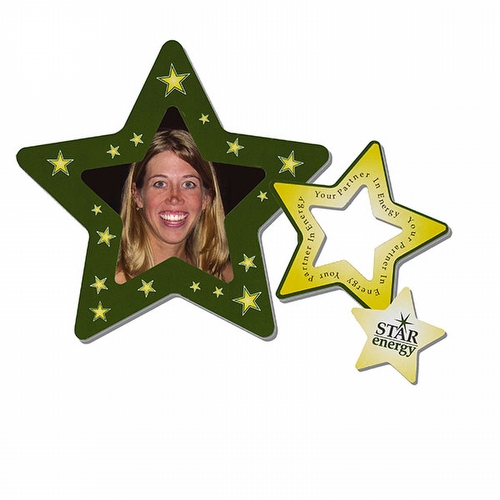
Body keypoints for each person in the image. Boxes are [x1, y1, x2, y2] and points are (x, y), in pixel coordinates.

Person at [115, 129, 233, 284]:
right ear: (137, 196)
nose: (174, 198)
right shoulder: (112, 283)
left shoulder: (226, 278)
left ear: (206, 198)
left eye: (188, 184)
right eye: (160, 184)